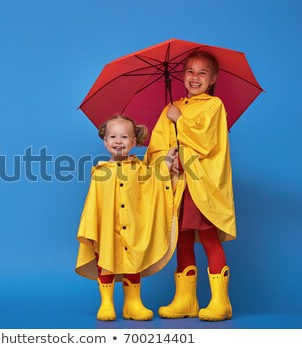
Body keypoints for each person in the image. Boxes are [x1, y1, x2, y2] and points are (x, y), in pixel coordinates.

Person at [144, 51, 236, 321]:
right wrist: (166, 160)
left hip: (201, 185)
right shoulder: (171, 107)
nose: (195, 78)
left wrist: (179, 119)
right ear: (182, 76)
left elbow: (206, 141)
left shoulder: (214, 106)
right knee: (181, 239)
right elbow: (157, 146)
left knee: (207, 237)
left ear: (213, 79)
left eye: (202, 73)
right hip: (178, 184)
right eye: (190, 72)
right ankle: (186, 300)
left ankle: (221, 301)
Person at [75, 115, 178, 321]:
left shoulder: (141, 170)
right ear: (105, 142)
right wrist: (91, 230)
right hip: (107, 230)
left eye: (124, 136)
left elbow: (156, 181)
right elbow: (93, 206)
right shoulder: (100, 172)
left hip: (132, 229)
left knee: (134, 262)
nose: (118, 141)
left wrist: (168, 158)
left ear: (134, 142)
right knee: (105, 261)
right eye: (113, 136)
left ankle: (133, 303)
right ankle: (106, 303)